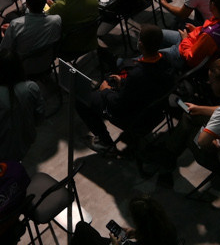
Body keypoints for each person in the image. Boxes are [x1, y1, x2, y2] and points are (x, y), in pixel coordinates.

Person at [76, 24, 180, 156]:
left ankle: (105, 143)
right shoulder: (167, 58)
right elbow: (146, 85)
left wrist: (105, 90)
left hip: (136, 119)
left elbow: (118, 105)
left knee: (82, 100)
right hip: (158, 111)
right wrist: (124, 82)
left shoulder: (138, 73)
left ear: (141, 44)